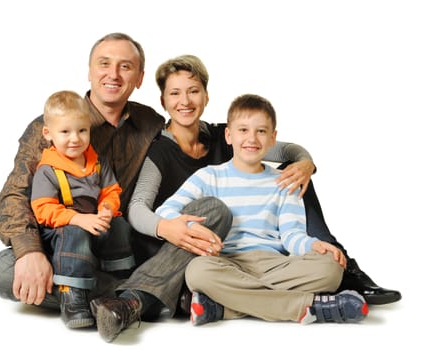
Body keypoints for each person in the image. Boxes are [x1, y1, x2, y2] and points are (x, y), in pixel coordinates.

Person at [91, 55, 374, 343]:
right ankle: (307, 305)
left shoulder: (225, 137)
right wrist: (169, 227)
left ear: (206, 96)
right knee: (200, 268)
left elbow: (288, 169)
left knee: (326, 262)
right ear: (163, 101)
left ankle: (223, 305)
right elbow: (138, 208)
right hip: (194, 246)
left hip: (267, 260)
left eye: (193, 91)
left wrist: (305, 163)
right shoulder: (171, 157)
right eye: (175, 93)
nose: (185, 101)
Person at [0, 33, 166, 311]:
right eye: (104, 64)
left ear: (140, 78)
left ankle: (100, 294)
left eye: (125, 66)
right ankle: (142, 296)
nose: (113, 75)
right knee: (1, 270)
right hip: (62, 242)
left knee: (159, 250)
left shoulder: (150, 124)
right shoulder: (51, 126)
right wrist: (30, 251)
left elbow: (183, 142)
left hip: (117, 245)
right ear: (90, 71)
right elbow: (15, 194)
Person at [157, 93, 369, 326]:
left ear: (272, 138)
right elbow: (166, 209)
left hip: (275, 264)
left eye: (261, 131)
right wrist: (190, 228)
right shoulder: (209, 177)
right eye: (243, 130)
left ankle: (224, 307)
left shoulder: (284, 180)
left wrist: (313, 245)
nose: (252, 139)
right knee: (197, 272)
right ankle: (309, 306)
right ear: (228, 135)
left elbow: (291, 234)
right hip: (226, 262)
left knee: (330, 269)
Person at [31, 90, 127, 328]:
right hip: (60, 234)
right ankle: (72, 294)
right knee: (74, 233)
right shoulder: (48, 170)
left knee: (120, 224)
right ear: (48, 134)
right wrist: (78, 220)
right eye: (65, 132)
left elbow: (111, 190)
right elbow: (43, 209)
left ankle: (121, 279)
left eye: (81, 131)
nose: (75, 138)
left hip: (94, 224)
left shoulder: (97, 162)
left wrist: (106, 208)